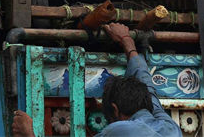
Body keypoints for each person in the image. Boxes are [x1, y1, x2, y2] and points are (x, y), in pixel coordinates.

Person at [12, 23, 180, 137]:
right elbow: (146, 81)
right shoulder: (170, 128)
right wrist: (127, 41)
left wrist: (29, 133)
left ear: (115, 109)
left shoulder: (120, 130)